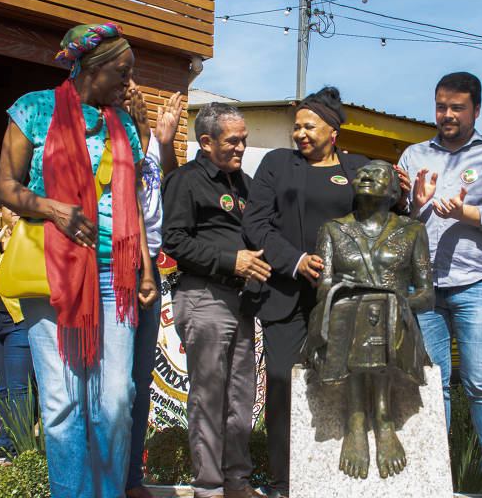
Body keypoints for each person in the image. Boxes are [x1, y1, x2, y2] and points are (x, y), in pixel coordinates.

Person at [0, 22, 158, 497]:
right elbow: (5, 186)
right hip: (54, 272)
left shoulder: (123, 124)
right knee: (64, 401)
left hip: (116, 276)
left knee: (116, 399)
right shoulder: (33, 109)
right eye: (122, 73)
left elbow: (131, 199)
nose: (128, 84)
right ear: (94, 66)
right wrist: (52, 209)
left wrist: (145, 269)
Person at [396, 72, 482, 498]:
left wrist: (466, 214)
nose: (447, 115)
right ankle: (434, 477)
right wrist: (416, 203)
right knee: (433, 383)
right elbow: (398, 225)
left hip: (478, 282)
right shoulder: (414, 155)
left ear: (476, 110)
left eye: (457, 107)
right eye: (441, 106)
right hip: (425, 286)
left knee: (481, 382)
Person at [241, 86, 369, 498]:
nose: (299, 133)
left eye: (308, 125)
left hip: (343, 298)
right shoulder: (277, 164)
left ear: (333, 131)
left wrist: (411, 200)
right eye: (296, 126)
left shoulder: (357, 169)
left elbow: (382, 218)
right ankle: (284, 480)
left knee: (345, 383)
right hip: (287, 294)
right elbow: (256, 225)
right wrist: (296, 261)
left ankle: (339, 476)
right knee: (281, 380)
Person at [162, 102, 270, 498]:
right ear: (205, 142)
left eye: (244, 139)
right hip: (203, 296)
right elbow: (172, 241)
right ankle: (208, 487)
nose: (242, 147)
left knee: (241, 397)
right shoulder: (187, 181)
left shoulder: (246, 183)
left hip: (242, 302)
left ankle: (237, 482)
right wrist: (231, 259)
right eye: (233, 141)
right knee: (209, 396)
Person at [302, 160, 433, 479]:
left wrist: (397, 302)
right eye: (361, 173)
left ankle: (370, 419)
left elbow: (427, 295)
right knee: (358, 307)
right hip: (344, 318)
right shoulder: (333, 229)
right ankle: (367, 421)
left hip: (395, 322)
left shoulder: (413, 230)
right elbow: (324, 288)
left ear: (393, 190)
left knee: (379, 306)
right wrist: (360, 294)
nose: (365, 176)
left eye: (377, 174)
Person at [124, 82, 183, 498]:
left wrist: (163, 144)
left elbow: (172, 189)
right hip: (114, 270)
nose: (135, 98)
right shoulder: (109, 145)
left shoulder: (148, 153)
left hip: (148, 274)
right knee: (113, 383)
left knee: (140, 380)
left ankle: (130, 479)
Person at [0, 208, 34, 459]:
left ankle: (23, 446)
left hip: (19, 319)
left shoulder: (32, 232)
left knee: (19, 387)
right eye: (9, 206)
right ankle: (2, 443)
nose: (14, 210)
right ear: (1, 211)